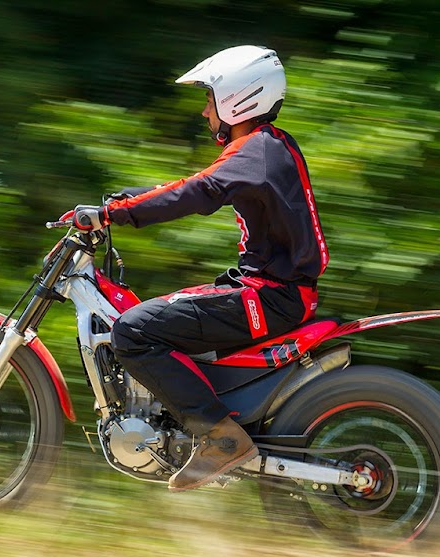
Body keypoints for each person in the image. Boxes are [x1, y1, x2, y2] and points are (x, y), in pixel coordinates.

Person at [64, 45, 329, 491]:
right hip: (271, 292)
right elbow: (188, 187)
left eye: (209, 99)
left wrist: (115, 215)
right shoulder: (265, 148)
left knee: (133, 331)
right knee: (150, 318)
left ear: (236, 99)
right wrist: (116, 202)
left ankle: (220, 438)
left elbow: (197, 192)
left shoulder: (257, 151)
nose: (205, 111)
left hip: (270, 296)